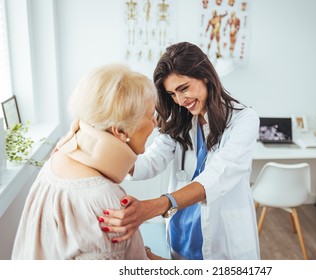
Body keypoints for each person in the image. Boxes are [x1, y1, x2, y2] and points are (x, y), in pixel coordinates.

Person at [100, 42, 260, 260]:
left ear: (205, 76)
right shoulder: (180, 120)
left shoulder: (243, 120)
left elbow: (218, 176)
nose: (180, 100)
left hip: (223, 236)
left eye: (184, 88)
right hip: (182, 231)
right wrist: (101, 150)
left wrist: (155, 206)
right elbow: (149, 163)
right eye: (172, 94)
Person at [12, 64, 162, 260]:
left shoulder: (57, 160)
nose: (156, 122)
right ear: (120, 131)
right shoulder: (104, 199)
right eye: (151, 115)